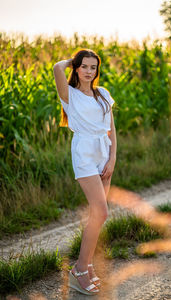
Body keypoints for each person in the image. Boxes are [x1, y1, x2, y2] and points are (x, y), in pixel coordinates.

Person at [53, 48, 117, 296]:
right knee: (101, 211)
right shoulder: (69, 95)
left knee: (98, 215)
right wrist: (73, 60)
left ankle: (87, 264)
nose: (89, 72)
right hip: (84, 154)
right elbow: (58, 68)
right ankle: (79, 269)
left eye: (93, 67)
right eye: (84, 66)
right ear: (77, 68)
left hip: (104, 152)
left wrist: (112, 159)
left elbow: (111, 129)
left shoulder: (103, 94)